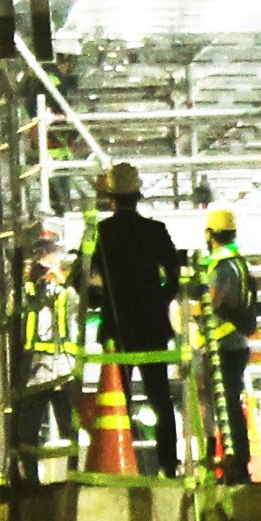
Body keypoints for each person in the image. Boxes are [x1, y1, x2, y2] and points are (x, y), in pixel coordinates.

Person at [83, 162, 186, 474]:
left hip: (116, 327)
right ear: (137, 196)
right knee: (159, 396)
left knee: (118, 399)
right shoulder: (155, 231)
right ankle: (168, 463)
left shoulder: (102, 233)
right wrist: (158, 300)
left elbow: (86, 278)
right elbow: (175, 278)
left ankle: (122, 461)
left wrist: (103, 301)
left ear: (110, 199)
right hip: (153, 328)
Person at [193, 204, 261, 479]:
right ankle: (232, 459)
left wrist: (188, 311)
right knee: (226, 405)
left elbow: (213, 302)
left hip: (223, 347)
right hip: (231, 346)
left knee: (225, 406)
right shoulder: (237, 262)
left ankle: (235, 462)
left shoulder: (223, 265)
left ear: (211, 233)